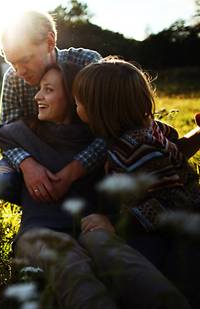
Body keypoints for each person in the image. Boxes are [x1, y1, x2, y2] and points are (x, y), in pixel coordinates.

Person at [0, 62, 190, 309]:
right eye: (40, 89)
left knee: (112, 253)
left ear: (74, 100)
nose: (37, 96)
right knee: (68, 263)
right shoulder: (21, 130)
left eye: (48, 90)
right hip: (40, 231)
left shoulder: (103, 135)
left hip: (91, 227)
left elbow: (166, 145)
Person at [73, 57, 200, 307]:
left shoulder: (136, 148)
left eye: (78, 102)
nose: (75, 107)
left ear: (100, 108)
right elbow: (176, 148)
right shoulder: (149, 128)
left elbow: (172, 201)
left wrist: (117, 223)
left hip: (177, 233)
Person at [0, 10, 105, 204]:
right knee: (0, 181)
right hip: (37, 155)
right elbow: (6, 135)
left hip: (83, 153)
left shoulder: (87, 64)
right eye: (12, 63)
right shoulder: (12, 78)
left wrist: (70, 173)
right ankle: (40, 201)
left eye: (25, 60)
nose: (19, 71)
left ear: (50, 42)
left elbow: (112, 130)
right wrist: (28, 165)